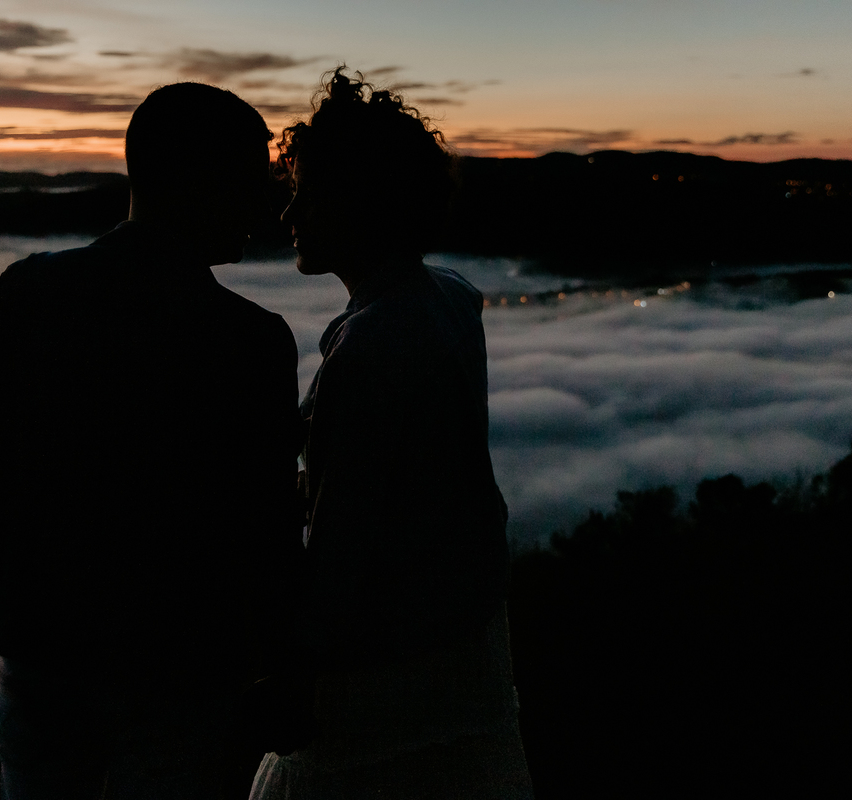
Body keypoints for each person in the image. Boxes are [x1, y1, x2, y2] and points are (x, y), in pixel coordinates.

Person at [0, 82, 303, 800]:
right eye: (245, 183)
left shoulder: (29, 292)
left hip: (39, 652)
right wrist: (281, 663)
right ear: (193, 181)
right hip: (179, 672)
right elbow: (265, 528)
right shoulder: (249, 341)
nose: (262, 208)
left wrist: (32, 573)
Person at [250, 69, 534, 800]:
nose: (289, 212)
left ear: (360, 204)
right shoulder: (450, 298)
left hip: (390, 669)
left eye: (307, 194)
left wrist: (296, 673)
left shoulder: (372, 346)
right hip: (468, 642)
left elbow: (343, 543)